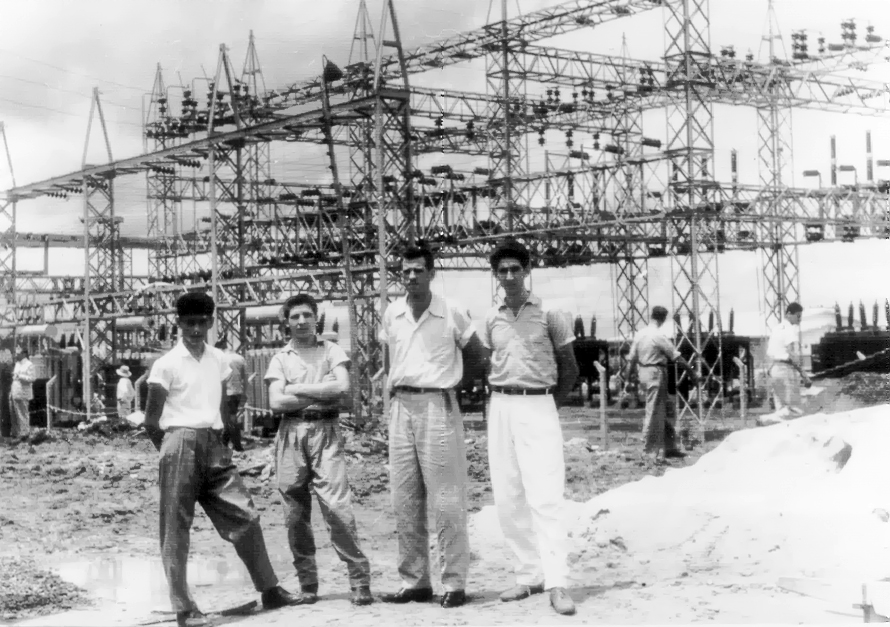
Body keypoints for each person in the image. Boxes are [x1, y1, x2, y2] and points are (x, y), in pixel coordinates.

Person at [143, 292, 297, 627]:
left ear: (211, 322)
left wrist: (228, 430)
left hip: (214, 444)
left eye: (202, 322)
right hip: (179, 441)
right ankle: (184, 607)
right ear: (179, 323)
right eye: (189, 323)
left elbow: (225, 401)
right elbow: (151, 421)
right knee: (176, 528)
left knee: (245, 515)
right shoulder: (166, 364)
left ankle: (270, 589)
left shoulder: (219, 360)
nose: (196, 329)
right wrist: (173, 452)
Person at [379, 244, 486, 609]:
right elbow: (389, 358)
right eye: (405, 271)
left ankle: (454, 582)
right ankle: (415, 581)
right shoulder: (392, 313)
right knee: (404, 498)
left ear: (431, 273)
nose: (411, 277)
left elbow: (478, 356)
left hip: (437, 405)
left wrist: (457, 386)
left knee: (446, 497)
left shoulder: (450, 311)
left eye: (418, 271)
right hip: (401, 406)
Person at [480, 240, 579, 616]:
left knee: (546, 497)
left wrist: (549, 405)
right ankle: (528, 574)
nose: (508, 276)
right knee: (508, 496)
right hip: (501, 404)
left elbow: (570, 369)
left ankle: (557, 582)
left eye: (514, 269)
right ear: (496, 275)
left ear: (526, 270)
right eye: (502, 271)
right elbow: (490, 362)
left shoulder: (551, 313)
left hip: (539, 403)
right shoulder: (491, 318)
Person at [264, 293, 373, 607]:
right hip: (290, 434)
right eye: (295, 316)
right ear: (287, 321)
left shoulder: (332, 350)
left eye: (306, 316)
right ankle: (308, 584)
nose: (301, 322)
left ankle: (359, 581)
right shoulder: (280, 358)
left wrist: (295, 388)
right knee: (295, 515)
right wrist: (319, 391)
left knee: (337, 508)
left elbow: (341, 389)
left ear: (316, 318)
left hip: (325, 431)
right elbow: (276, 403)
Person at [625, 306, 697, 463]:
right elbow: (677, 356)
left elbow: (631, 360)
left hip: (643, 372)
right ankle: (648, 452)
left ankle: (670, 447)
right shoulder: (658, 336)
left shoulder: (640, 334)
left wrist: (628, 380)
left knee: (665, 409)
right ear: (663, 319)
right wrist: (692, 372)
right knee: (654, 412)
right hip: (656, 373)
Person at [759, 302, 811, 426]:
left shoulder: (776, 329)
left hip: (774, 369)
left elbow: (770, 352)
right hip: (785, 369)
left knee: (781, 408)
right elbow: (793, 355)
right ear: (789, 314)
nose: (800, 319)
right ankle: (764, 420)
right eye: (798, 316)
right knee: (794, 410)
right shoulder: (789, 330)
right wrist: (804, 375)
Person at [214, 339, 245, 452]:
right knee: (229, 419)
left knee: (230, 419)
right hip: (237, 392)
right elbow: (244, 378)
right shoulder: (239, 358)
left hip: (226, 393)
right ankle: (224, 443)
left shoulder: (221, 359)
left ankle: (237, 445)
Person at [10, 348, 35, 438]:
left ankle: (25, 433)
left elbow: (32, 378)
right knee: (15, 414)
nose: (16, 355)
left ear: (23, 354)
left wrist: (20, 376)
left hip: (23, 393)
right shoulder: (17, 364)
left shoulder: (29, 365)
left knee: (23, 414)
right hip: (15, 392)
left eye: (18, 353)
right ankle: (17, 433)